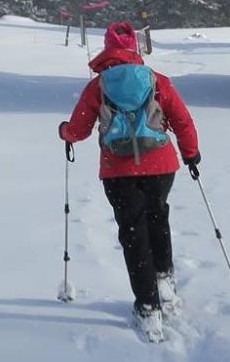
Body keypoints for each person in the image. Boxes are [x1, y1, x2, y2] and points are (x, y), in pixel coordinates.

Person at [60, 20, 200, 341]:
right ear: (135, 49)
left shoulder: (98, 86)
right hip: (161, 165)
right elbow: (182, 120)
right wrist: (191, 154)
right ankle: (164, 282)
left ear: (107, 48)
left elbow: (79, 129)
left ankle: (148, 309)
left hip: (118, 170)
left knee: (133, 233)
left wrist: (64, 132)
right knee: (157, 218)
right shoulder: (157, 80)